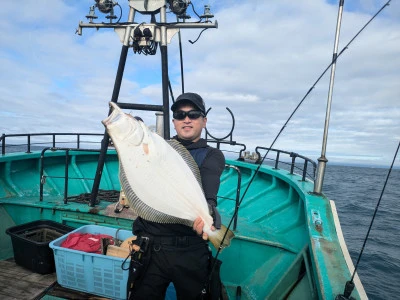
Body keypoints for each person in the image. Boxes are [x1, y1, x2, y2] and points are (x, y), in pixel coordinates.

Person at [130, 92, 225, 299]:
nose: (187, 119)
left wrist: (207, 214)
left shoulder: (212, 155)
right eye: (180, 115)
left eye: (193, 114)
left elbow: (208, 192)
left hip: (190, 250)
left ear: (204, 121)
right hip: (150, 246)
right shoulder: (157, 148)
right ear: (174, 122)